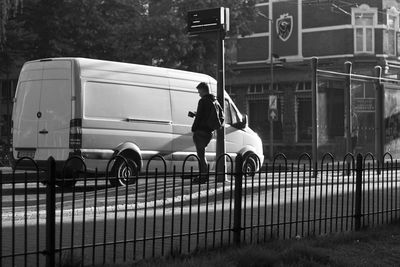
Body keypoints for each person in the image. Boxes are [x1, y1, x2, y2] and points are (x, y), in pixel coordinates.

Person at [191, 82, 216, 183]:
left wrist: (193, 128)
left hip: (201, 131)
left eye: (199, 91)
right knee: (202, 154)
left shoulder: (202, 101)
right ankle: (204, 176)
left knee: (201, 155)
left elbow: (200, 117)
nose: (199, 94)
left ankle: (203, 177)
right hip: (209, 131)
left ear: (203, 90)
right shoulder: (214, 100)